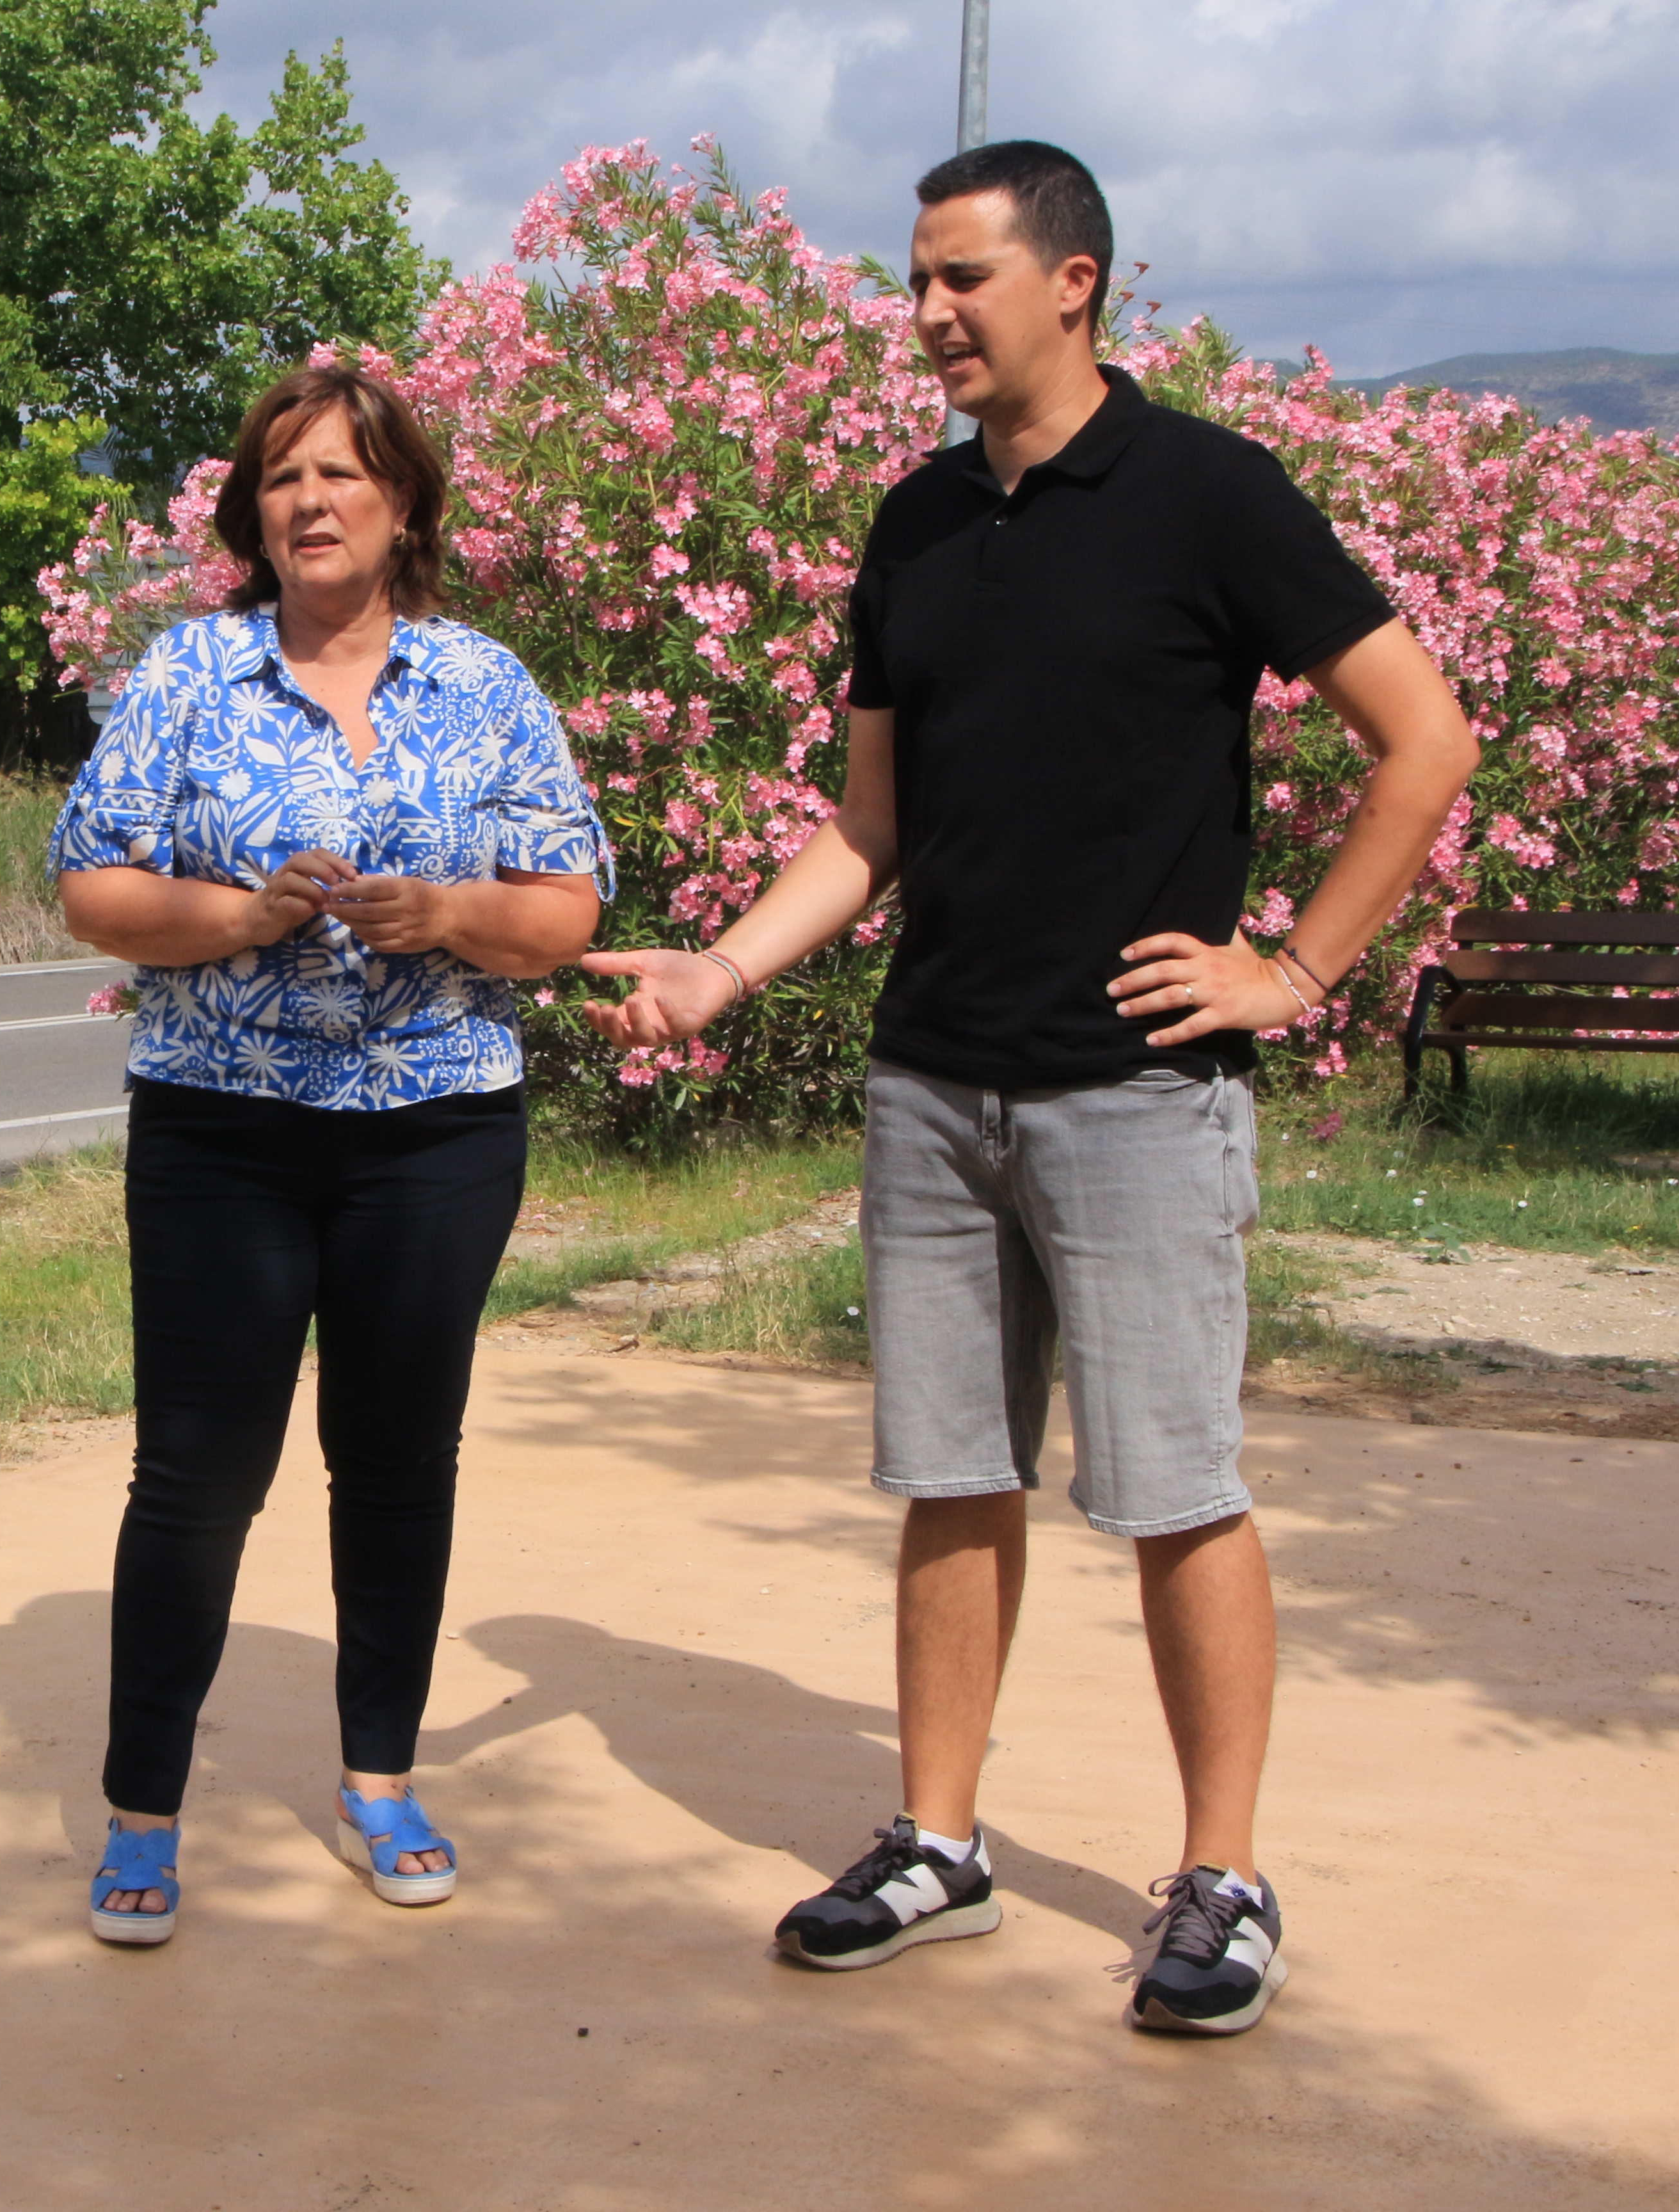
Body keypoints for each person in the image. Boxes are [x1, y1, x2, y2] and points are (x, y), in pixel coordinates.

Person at [584, 141, 1477, 2036]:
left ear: (1075, 283)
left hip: (1140, 1092)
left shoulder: (1213, 498)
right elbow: (867, 829)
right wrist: (725, 968)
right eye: (914, 280)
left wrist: (1298, 970)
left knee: (1175, 1492)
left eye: (958, 281)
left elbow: (1426, 736)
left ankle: (1222, 1880)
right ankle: (938, 1844)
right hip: (935, 1088)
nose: (924, 317)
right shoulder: (910, 527)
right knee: (948, 1480)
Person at [50, 362, 610, 1943]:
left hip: (435, 1128)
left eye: (345, 476)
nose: (311, 501)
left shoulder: (484, 684)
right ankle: (143, 1811)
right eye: (284, 477)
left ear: (407, 505)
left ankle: (381, 1782)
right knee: (196, 1474)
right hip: (222, 1127)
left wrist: (448, 915)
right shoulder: (189, 673)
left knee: (395, 1466)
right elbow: (95, 883)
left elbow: (563, 908)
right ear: (253, 511)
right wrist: (243, 916)